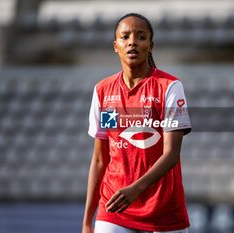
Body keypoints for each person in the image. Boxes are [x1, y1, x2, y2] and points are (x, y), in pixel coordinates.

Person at [82, 13, 192, 233]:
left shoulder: (169, 87)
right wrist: (87, 221)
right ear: (116, 46)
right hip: (114, 207)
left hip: (162, 210)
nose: (132, 41)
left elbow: (171, 154)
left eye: (140, 37)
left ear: (151, 46)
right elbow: (99, 160)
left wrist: (135, 189)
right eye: (125, 37)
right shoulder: (103, 91)